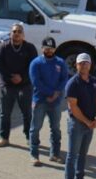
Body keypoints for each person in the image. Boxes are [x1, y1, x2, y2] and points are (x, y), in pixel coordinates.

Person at [64, 52, 96, 179]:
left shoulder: (95, 81)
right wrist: (87, 121)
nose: (84, 65)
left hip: (90, 123)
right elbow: (73, 107)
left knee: (83, 154)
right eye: (81, 63)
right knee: (72, 155)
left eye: (87, 62)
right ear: (77, 65)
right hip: (77, 124)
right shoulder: (72, 83)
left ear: (90, 65)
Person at [0, 23, 36, 148]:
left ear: (23, 35)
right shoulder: (3, 48)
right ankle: (4, 137)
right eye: (14, 31)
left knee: (27, 113)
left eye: (19, 31)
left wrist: (22, 77)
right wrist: (11, 77)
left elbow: (33, 66)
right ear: (10, 34)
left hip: (25, 85)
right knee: (5, 113)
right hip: (7, 85)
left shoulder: (30, 48)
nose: (16, 34)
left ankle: (29, 137)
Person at [28, 37, 67, 166]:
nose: (49, 50)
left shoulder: (60, 63)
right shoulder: (36, 63)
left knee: (55, 128)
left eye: (51, 48)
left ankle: (55, 154)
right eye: (47, 48)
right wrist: (50, 93)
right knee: (36, 128)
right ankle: (34, 155)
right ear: (42, 48)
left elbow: (64, 79)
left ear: (55, 49)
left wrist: (56, 93)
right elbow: (36, 82)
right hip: (40, 100)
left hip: (55, 101)